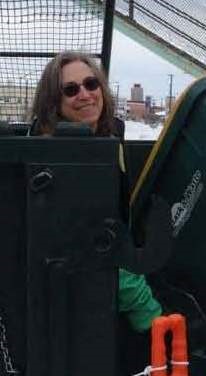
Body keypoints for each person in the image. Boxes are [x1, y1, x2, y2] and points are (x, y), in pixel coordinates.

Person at [31, 51, 162, 333]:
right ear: (53, 101)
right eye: (70, 89)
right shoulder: (59, 159)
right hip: (74, 307)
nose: (85, 94)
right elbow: (97, 245)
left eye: (91, 84)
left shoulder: (107, 140)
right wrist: (149, 317)